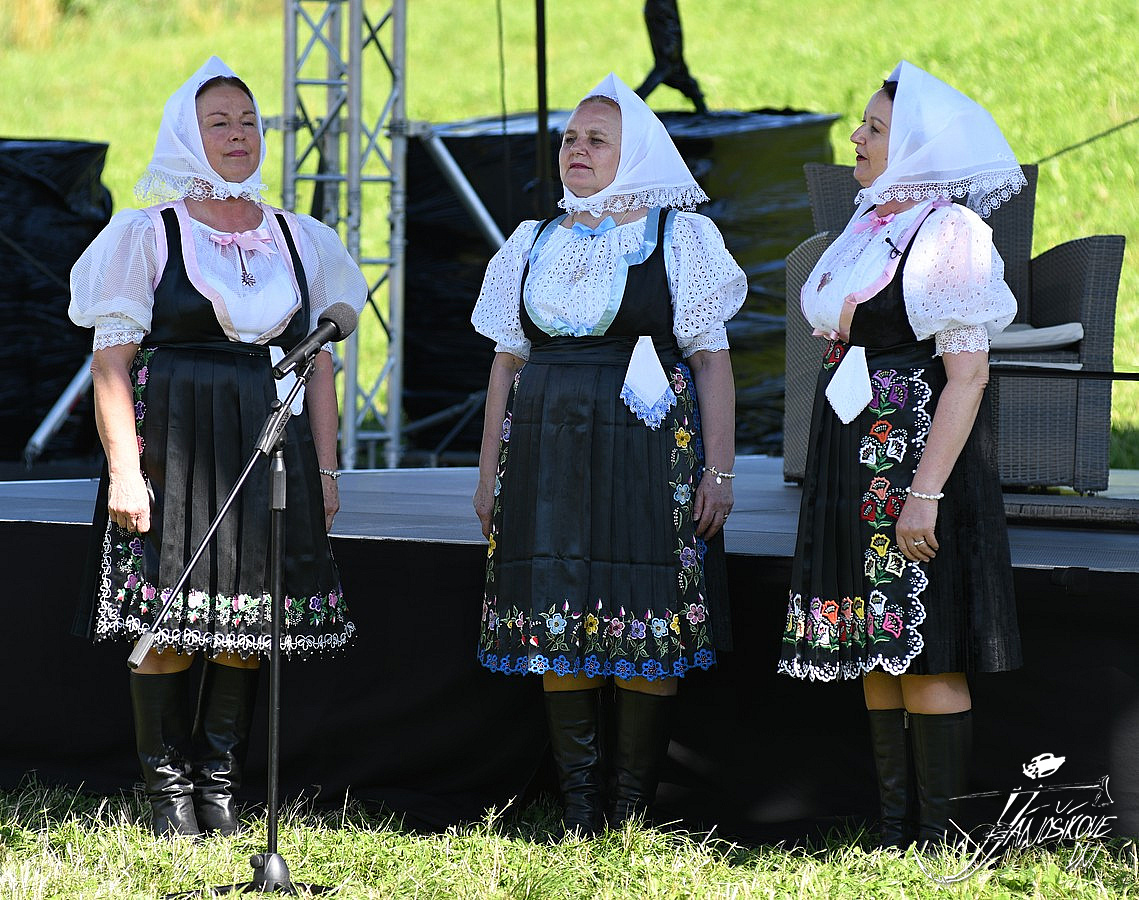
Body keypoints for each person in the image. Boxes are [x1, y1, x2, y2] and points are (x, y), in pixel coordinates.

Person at [68, 56, 368, 838]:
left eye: (248, 122)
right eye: (219, 123)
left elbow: (319, 364)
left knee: (247, 622)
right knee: (167, 620)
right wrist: (124, 472)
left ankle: (219, 790)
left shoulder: (297, 238)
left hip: (265, 442)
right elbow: (110, 363)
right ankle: (168, 799)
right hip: (172, 441)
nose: (239, 136)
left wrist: (325, 468)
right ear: (186, 136)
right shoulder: (149, 234)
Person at [471, 73, 746, 837]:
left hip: (647, 450)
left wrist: (720, 470)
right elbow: (506, 363)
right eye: (569, 138)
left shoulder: (679, 238)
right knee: (557, 612)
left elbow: (712, 360)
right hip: (545, 450)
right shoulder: (532, 241)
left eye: (596, 139)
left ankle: (628, 809)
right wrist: (488, 472)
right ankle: (578, 807)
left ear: (637, 154)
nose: (577, 149)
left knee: (643, 611)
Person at [778, 61, 1025, 849]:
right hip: (853, 449)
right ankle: (893, 832)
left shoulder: (947, 233)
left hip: (914, 455)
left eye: (875, 127)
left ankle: (940, 838)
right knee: (874, 641)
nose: (856, 135)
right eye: (862, 123)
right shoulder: (869, 221)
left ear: (915, 147)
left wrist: (924, 495)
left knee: (927, 647)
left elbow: (967, 375)